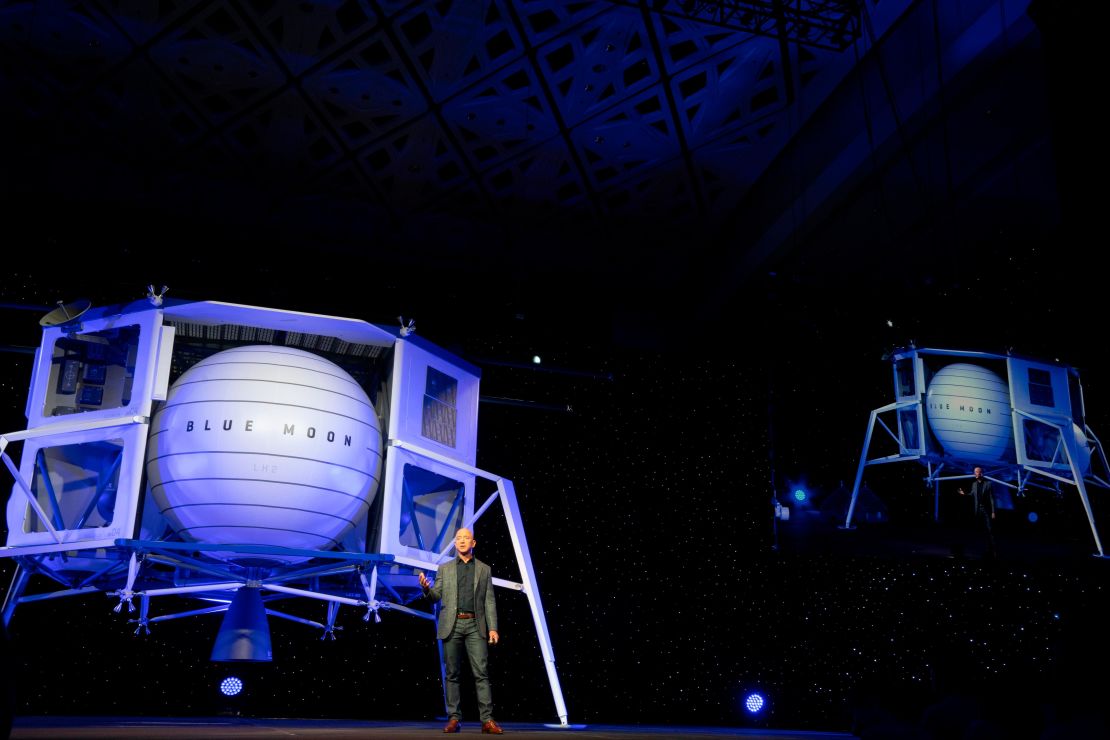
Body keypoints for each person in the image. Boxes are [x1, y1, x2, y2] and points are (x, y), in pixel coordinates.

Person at [419, 528, 503, 734]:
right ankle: (454, 718)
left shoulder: (484, 569)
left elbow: (489, 601)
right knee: (452, 674)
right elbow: (435, 596)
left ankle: (487, 720)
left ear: (473, 543)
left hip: (476, 625)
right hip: (452, 625)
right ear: (455, 544)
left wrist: (493, 628)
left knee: (481, 673)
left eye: (466, 538)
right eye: (458, 538)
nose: (462, 541)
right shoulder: (445, 569)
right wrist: (426, 589)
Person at [958, 466, 997, 558]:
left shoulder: (988, 484)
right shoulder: (974, 484)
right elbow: (972, 494)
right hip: (977, 509)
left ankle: (992, 547)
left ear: (981, 473)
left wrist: (993, 511)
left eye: (977, 472)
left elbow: (992, 498)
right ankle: (979, 547)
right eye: (974, 472)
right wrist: (964, 494)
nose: (975, 473)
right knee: (977, 527)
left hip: (986, 509)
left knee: (989, 529)